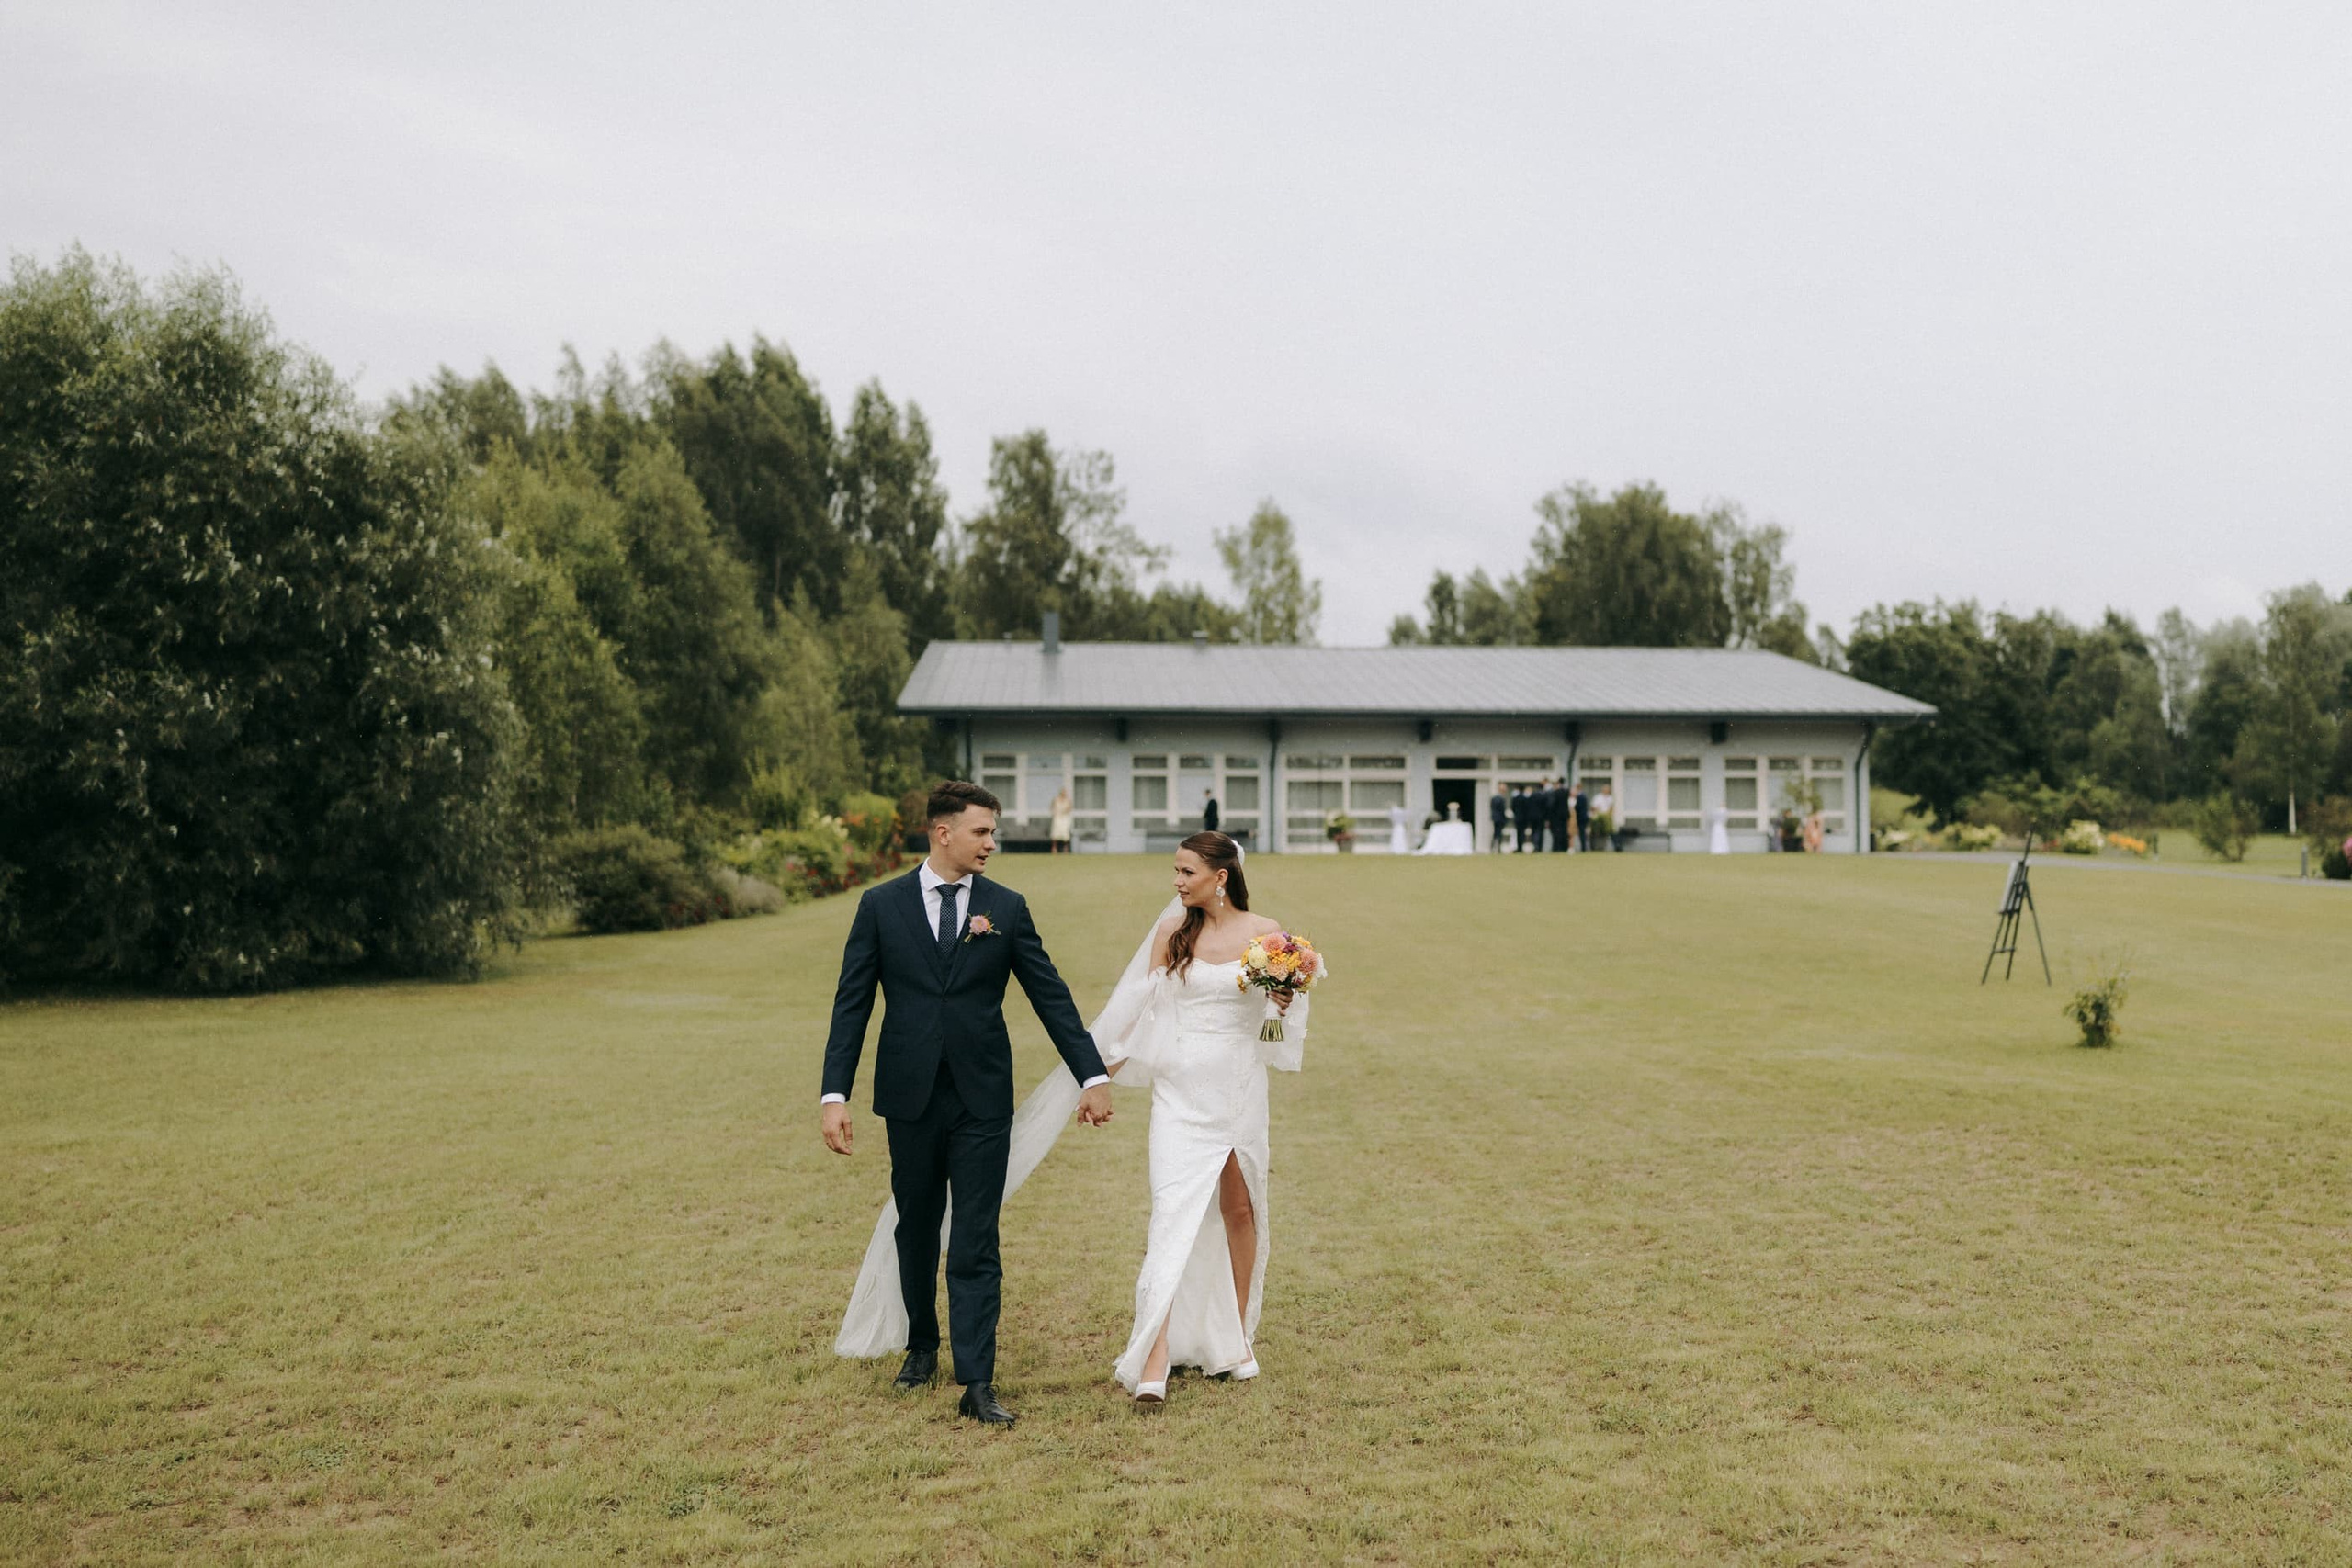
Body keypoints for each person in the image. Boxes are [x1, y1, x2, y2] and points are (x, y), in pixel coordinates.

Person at [820, 780, 1115, 1427]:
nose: (991, 842)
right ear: (942, 831)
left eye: (992, 831)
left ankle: (977, 1380)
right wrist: (834, 1093)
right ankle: (921, 1346)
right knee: (918, 1225)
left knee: (977, 1237)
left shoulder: (1006, 907)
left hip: (983, 1098)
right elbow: (852, 1003)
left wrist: (1091, 1074)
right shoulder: (881, 905)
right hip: (909, 1095)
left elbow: (1051, 995)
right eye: (981, 831)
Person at [1107, 833, 1313, 1404]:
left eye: (1186, 870)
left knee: (1240, 1208)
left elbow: (1274, 1031)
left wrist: (1282, 1004)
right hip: (1179, 1090)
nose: (1176, 881)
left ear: (1220, 876)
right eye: (1175, 870)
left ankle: (1236, 1338)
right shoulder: (1172, 933)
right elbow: (1143, 1009)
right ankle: (1153, 1353)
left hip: (1240, 1086)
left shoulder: (1267, 934)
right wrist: (1100, 1076)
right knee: (1173, 1212)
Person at [1548, 778, 1572, 853]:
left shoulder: (1555, 793)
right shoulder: (1566, 792)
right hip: (1564, 815)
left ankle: (1557, 848)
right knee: (1564, 832)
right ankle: (1564, 847)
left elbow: (1552, 805)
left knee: (1557, 832)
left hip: (1556, 816)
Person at [1049, 786, 1074, 855]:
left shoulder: (1068, 800)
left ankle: (1066, 848)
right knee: (1055, 833)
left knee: (1065, 833)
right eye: (1063, 792)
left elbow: (1069, 808)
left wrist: (1065, 812)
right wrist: (1055, 813)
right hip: (1057, 818)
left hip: (1064, 818)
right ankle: (1054, 848)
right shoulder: (1056, 799)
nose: (1064, 793)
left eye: (1065, 792)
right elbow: (1052, 807)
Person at [1591, 785, 1616, 851]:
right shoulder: (1598, 797)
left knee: (1611, 831)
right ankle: (1597, 847)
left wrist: (1608, 815)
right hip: (1599, 818)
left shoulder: (1610, 798)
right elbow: (1594, 808)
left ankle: (1614, 846)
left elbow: (1611, 808)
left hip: (1607, 818)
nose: (1607, 790)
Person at [1511, 784, 1534, 852]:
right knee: (1522, 833)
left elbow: (1513, 808)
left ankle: (1519, 847)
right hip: (1524, 819)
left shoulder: (1515, 798)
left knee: (1518, 833)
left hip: (1518, 818)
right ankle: (1521, 847)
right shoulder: (1525, 799)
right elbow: (1527, 809)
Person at [1488, 784, 1510, 853]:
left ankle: (1493, 848)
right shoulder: (1501, 799)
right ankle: (1497, 848)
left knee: (1495, 833)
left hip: (1495, 818)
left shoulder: (1494, 798)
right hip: (1500, 819)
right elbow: (1502, 810)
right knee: (1498, 833)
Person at [1573, 783, 1591, 852]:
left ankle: (1583, 848)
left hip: (1581, 818)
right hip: (1583, 817)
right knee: (1582, 833)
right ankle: (1584, 847)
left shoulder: (1580, 796)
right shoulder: (1583, 795)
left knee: (1582, 833)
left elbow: (1578, 807)